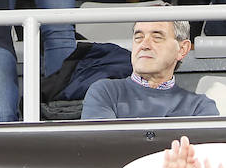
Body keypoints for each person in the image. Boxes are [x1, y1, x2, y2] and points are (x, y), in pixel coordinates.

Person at [82, 20, 218, 119]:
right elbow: (101, 147)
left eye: (157, 37)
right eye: (138, 37)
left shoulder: (200, 107)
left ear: (182, 49)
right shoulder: (105, 92)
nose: (144, 45)